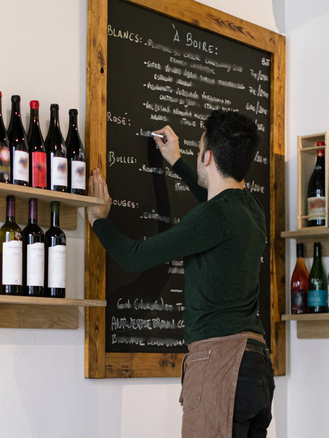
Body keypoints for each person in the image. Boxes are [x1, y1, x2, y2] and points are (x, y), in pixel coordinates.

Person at [87, 110, 274, 438]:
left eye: (199, 148)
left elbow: (132, 257)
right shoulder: (251, 210)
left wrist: (98, 220)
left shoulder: (214, 216)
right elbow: (214, 198)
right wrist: (175, 161)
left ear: (208, 157)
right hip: (256, 364)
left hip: (220, 362)